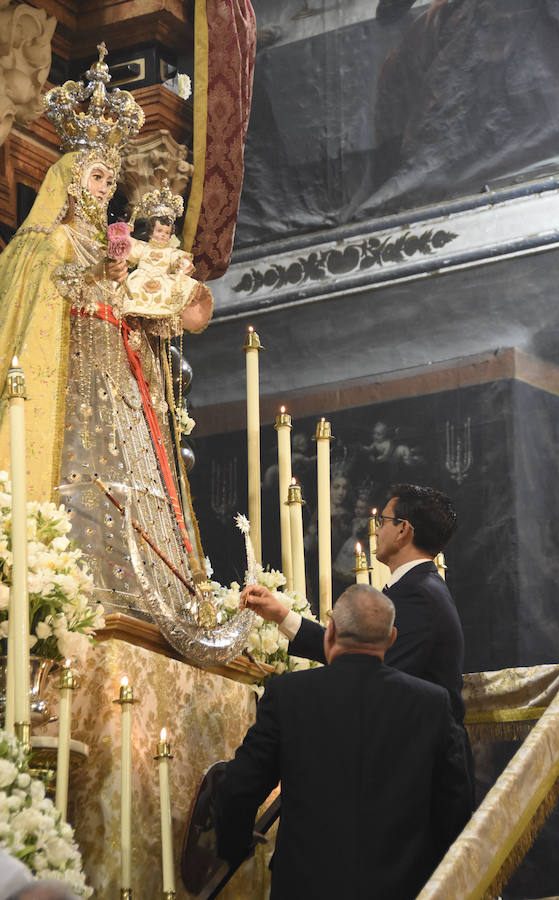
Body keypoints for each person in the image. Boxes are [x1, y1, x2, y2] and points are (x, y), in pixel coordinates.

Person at [0, 47, 211, 619]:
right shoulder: (46, 238)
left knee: (122, 478)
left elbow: (154, 300)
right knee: (76, 471)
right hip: (70, 367)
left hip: (115, 368)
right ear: (69, 180)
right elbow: (48, 287)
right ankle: (63, 582)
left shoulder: (113, 243)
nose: (103, 187)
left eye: (110, 179)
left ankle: (131, 592)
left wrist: (152, 283)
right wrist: (97, 276)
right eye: (96, 175)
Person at [213, 585, 472, 899]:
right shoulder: (431, 703)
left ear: (331, 630)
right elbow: (456, 804)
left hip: (306, 887)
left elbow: (240, 786)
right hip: (405, 888)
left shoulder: (288, 695)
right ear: (391, 639)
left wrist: (235, 846)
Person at [242, 483, 465, 726]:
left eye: (382, 521)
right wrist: (282, 615)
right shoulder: (419, 586)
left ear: (403, 529)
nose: (376, 532)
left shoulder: (418, 593)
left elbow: (374, 672)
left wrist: (292, 692)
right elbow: (356, 653)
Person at [122, 180, 214, 324]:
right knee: (131, 293)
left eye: (166, 232)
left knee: (172, 291)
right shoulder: (144, 247)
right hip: (140, 281)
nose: (163, 235)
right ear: (151, 232)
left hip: (162, 283)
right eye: (159, 231)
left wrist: (181, 265)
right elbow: (129, 249)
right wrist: (124, 236)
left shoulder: (171, 252)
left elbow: (180, 260)